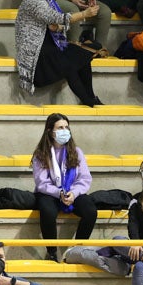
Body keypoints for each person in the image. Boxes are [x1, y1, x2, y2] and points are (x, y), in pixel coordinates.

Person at [14, 0, 102, 107]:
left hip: (51, 45)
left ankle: (91, 96)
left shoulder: (49, 0)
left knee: (82, 56)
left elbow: (57, 24)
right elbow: (57, 18)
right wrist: (84, 14)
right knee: (68, 65)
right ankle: (87, 101)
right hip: (36, 52)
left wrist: (58, 27)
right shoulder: (33, 0)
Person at [32, 113, 97, 263]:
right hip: (50, 192)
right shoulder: (41, 154)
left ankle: (78, 250)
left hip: (73, 191)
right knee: (47, 211)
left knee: (90, 211)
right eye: (60, 127)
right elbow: (42, 182)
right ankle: (52, 251)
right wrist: (59, 193)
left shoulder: (77, 152)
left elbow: (85, 178)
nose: (65, 130)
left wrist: (73, 193)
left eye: (66, 127)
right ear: (50, 131)